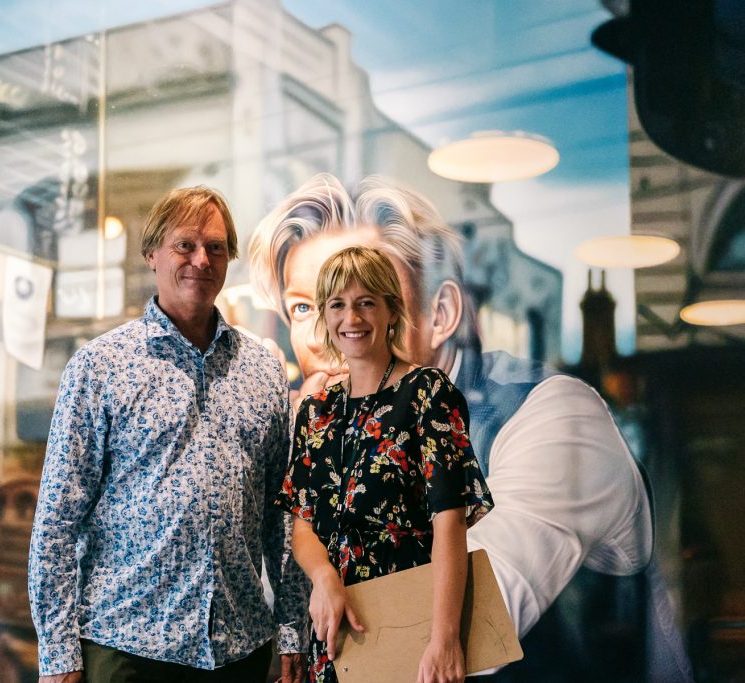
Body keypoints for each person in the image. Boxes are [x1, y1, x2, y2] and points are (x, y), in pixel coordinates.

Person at [249, 174, 692, 681]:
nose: (333, 329)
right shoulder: (327, 421)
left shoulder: (555, 414)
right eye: (307, 306)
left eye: (368, 292)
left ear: (439, 314)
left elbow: (459, 628)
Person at [29, 186, 307, 683]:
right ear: (151, 255)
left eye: (216, 248)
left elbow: (279, 518)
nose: (201, 259)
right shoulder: (100, 367)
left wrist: (292, 628)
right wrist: (58, 654)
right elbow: (56, 523)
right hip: (126, 646)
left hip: (239, 650)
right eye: (186, 245)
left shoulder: (263, 369)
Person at [275, 246, 494, 683]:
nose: (350, 318)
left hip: (410, 628)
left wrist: (445, 638)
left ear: (392, 310)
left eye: (366, 303)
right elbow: (303, 528)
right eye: (337, 305)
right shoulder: (316, 411)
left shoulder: (427, 394)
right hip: (335, 632)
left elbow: (450, 526)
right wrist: (322, 577)